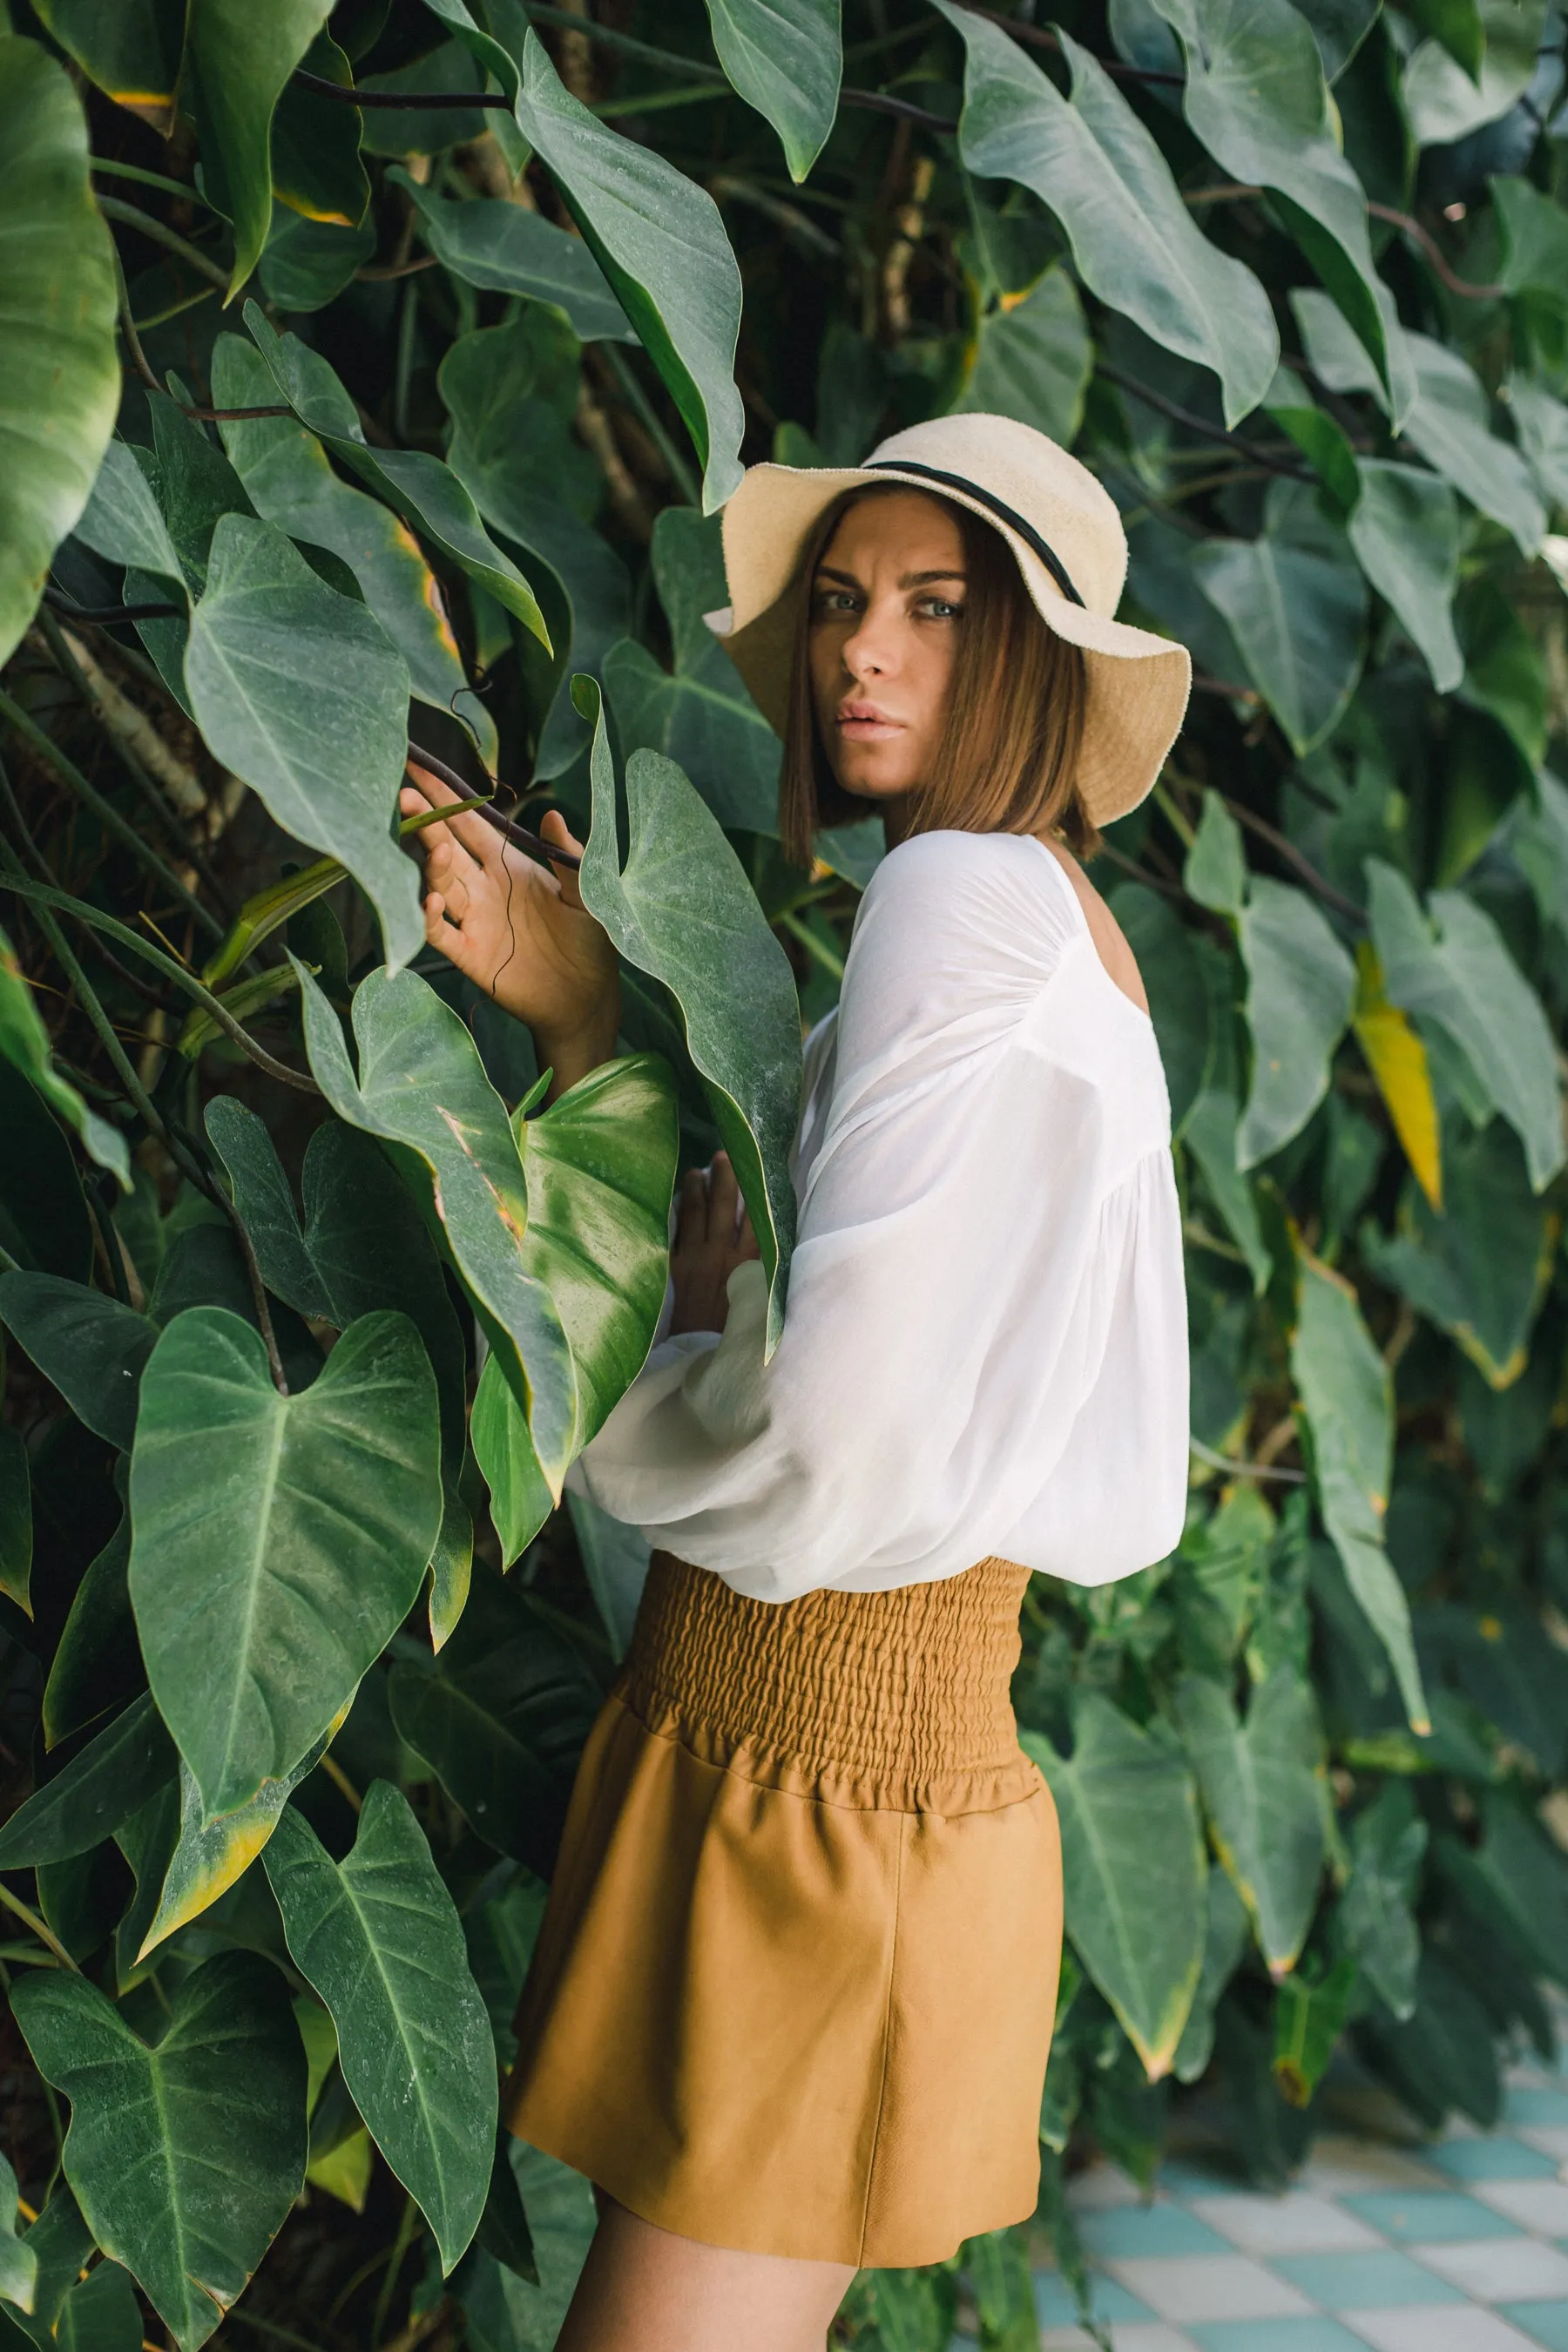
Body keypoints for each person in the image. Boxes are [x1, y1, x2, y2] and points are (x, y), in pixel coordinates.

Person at [402, 414, 1192, 2352]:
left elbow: (834, 1420)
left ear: (1032, 656)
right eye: (842, 604)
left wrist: (605, 1415)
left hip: (821, 1772)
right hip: (859, 1769)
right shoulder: (1048, 931)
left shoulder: (958, 904)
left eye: (936, 608)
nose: (860, 651)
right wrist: (599, 1015)